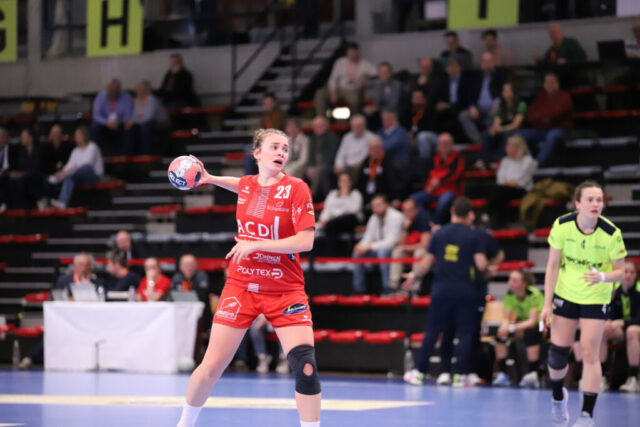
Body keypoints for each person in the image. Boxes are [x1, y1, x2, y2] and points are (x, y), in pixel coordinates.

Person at [176, 128, 321, 427]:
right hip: (241, 286)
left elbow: (306, 241)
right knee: (212, 366)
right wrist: (210, 178)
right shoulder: (248, 186)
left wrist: (256, 244)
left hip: (285, 289)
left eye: (285, 148)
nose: (281, 152)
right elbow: (241, 184)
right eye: (275, 147)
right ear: (257, 153)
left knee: (305, 365)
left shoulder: (297, 188)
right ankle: (185, 424)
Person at [539, 180, 626, 427]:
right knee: (558, 354)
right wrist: (547, 304)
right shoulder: (562, 226)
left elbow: (621, 272)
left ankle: (586, 415)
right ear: (577, 203)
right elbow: (552, 266)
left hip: (596, 297)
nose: (596, 204)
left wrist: (602, 277)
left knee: (589, 353)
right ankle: (558, 396)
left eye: (599, 199)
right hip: (566, 294)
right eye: (590, 199)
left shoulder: (611, 233)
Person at [402, 197, 488, 387]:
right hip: (466, 291)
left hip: (442, 290)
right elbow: (481, 264)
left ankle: (420, 372)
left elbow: (426, 262)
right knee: (465, 334)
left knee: (432, 332)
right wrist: (489, 270)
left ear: (452, 211)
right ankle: (461, 375)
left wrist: (414, 276)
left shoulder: (439, 234)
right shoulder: (474, 236)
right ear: (469, 214)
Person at [492, 269, 545, 388]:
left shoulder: (534, 294)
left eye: (515, 280)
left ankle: (533, 374)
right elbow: (506, 317)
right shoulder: (510, 294)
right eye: (510, 279)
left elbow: (532, 322)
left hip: (542, 325)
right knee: (500, 335)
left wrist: (510, 328)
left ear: (524, 283)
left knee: (531, 333)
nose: (510, 283)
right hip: (522, 324)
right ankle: (503, 374)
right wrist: (504, 327)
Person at [352, 194, 404, 294]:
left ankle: (387, 289)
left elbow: (391, 242)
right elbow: (368, 237)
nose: (376, 208)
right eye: (374, 206)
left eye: (379, 205)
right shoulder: (374, 218)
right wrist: (360, 246)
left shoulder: (396, 216)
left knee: (383, 253)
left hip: (394, 249)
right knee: (357, 253)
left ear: (386, 205)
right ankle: (359, 290)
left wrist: (369, 246)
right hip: (377, 248)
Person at [517, 72, 572, 167]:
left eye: (552, 82)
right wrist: (544, 116)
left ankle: (536, 164)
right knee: (519, 135)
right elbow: (531, 115)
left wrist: (541, 116)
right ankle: (522, 163)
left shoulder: (564, 96)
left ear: (557, 84)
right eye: (547, 82)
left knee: (552, 136)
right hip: (540, 129)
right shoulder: (541, 96)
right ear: (544, 84)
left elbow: (557, 114)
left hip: (558, 129)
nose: (549, 85)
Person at [410, 133, 464, 225]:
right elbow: (428, 175)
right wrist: (429, 187)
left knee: (444, 200)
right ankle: (428, 223)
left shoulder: (458, 157)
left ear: (452, 145)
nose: (444, 146)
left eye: (446, 143)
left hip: (450, 190)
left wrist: (439, 181)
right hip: (434, 191)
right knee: (414, 199)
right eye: (441, 144)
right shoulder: (435, 158)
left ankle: (435, 223)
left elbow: (455, 175)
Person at [484, 135, 537, 229]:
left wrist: (510, 182)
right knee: (499, 192)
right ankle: (498, 223)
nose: (506, 148)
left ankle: (487, 215)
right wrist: (510, 182)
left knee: (500, 192)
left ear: (518, 148)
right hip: (505, 189)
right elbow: (500, 179)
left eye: (509, 146)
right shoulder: (505, 160)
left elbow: (522, 181)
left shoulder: (528, 161)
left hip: (522, 190)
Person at [313, 42, 376, 117]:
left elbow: (376, 73)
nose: (351, 54)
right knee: (320, 93)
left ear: (357, 52)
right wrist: (333, 92)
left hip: (352, 90)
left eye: (353, 52)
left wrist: (365, 78)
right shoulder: (340, 62)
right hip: (339, 89)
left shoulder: (365, 64)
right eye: (349, 52)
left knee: (354, 99)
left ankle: (354, 119)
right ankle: (321, 119)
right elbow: (333, 78)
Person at [49, 126, 104, 210]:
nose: (76, 138)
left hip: (94, 176)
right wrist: (60, 174)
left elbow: (87, 164)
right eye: (76, 136)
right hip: (77, 176)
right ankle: (62, 201)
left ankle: (62, 200)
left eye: (78, 136)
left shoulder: (92, 146)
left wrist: (69, 172)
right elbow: (69, 166)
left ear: (84, 136)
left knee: (85, 168)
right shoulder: (76, 151)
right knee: (66, 176)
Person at [458, 52, 505, 146]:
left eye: (489, 61)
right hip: (478, 109)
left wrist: (497, 102)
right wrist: (472, 106)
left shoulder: (500, 75)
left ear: (493, 62)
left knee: (494, 117)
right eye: (485, 61)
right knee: (463, 115)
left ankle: (489, 142)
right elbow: (470, 93)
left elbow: (504, 90)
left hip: (493, 108)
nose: (487, 64)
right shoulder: (476, 76)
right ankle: (479, 141)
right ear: (481, 63)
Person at [477, 82, 528, 169]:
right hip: (504, 128)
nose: (506, 93)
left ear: (513, 92)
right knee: (489, 134)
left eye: (508, 90)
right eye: (504, 90)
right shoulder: (501, 105)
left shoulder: (521, 104)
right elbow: (496, 122)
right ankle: (483, 160)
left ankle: (498, 160)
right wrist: (494, 129)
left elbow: (516, 124)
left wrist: (502, 129)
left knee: (506, 135)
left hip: (518, 129)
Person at [610, 259, 640, 392]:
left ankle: (633, 379)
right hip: (622, 330)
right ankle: (601, 377)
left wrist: (623, 322)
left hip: (635, 328)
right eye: (626, 271)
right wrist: (610, 322)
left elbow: (638, 319)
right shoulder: (615, 292)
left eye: (632, 272)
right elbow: (611, 316)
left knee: (631, 331)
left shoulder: (639, 292)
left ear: (636, 275)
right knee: (604, 329)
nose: (628, 275)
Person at [389, 198, 431, 291]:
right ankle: (393, 286)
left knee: (419, 252)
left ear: (416, 210)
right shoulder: (404, 221)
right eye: (405, 210)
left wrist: (406, 248)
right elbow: (401, 244)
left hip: (424, 253)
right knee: (397, 252)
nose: (407, 213)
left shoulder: (423, 219)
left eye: (410, 210)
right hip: (410, 251)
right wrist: (404, 229)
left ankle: (415, 288)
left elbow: (425, 244)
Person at [317, 172, 363, 254]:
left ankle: (332, 255)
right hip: (334, 221)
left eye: (346, 181)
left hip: (351, 220)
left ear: (350, 182)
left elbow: (353, 210)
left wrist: (345, 194)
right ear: (338, 183)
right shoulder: (332, 194)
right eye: (342, 180)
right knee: (326, 226)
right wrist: (323, 219)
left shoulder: (356, 194)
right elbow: (327, 209)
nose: (344, 183)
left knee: (331, 225)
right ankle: (328, 254)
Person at [124, 80, 168, 155]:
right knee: (129, 128)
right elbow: (134, 116)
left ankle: (145, 153)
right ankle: (129, 154)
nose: (136, 92)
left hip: (159, 123)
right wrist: (131, 122)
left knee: (144, 127)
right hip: (144, 123)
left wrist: (134, 122)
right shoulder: (138, 101)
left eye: (138, 89)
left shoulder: (151, 99)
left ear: (144, 90)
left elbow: (149, 117)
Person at [90, 78, 133, 153]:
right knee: (94, 125)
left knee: (129, 127)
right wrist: (107, 122)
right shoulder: (101, 96)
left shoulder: (126, 97)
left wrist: (119, 122)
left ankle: (125, 156)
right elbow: (96, 115)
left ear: (118, 91)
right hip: (105, 124)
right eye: (108, 90)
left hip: (119, 124)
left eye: (112, 91)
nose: (109, 93)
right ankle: (95, 152)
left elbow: (127, 116)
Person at [5, 128, 43, 209]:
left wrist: (21, 174)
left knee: (25, 179)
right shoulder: (22, 152)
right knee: (12, 180)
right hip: (24, 176)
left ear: (31, 138)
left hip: (36, 175)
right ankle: (14, 207)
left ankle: (36, 202)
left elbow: (36, 168)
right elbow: (20, 167)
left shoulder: (39, 151)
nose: (21, 139)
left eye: (24, 137)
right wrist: (16, 173)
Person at [171, 254, 214, 326]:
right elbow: (172, 296)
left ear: (196, 265)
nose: (189, 268)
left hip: (202, 317)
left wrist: (183, 296)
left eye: (191, 265)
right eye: (186, 265)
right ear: (180, 267)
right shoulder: (177, 278)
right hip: (181, 315)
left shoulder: (201, 276)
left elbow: (202, 296)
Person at [355, 136, 395, 209]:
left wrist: (393, 198)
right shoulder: (366, 161)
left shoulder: (387, 161)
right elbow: (359, 182)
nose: (374, 150)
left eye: (376, 147)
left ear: (381, 148)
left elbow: (392, 182)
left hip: (383, 198)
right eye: (371, 148)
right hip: (366, 199)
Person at [306, 116, 339, 200]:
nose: (318, 128)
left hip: (329, 165)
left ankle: (316, 195)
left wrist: (319, 163)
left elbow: (332, 155)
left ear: (325, 126)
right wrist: (310, 166)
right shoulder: (312, 138)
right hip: (316, 165)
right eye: (316, 126)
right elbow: (310, 155)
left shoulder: (332, 137)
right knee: (308, 170)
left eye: (320, 126)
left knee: (321, 170)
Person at [333, 114, 375, 180]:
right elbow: (341, 154)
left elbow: (366, 156)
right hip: (345, 166)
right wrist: (339, 165)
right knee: (326, 171)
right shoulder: (347, 137)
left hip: (360, 166)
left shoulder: (371, 137)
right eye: (354, 126)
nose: (356, 128)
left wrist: (351, 166)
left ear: (364, 126)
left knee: (350, 171)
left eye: (359, 126)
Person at [365, 62, 403, 130]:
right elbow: (369, 101)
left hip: (393, 113)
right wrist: (368, 108)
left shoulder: (397, 85)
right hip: (377, 116)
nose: (384, 75)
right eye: (381, 72)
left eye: (386, 72)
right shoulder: (373, 85)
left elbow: (394, 104)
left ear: (390, 73)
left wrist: (377, 108)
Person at [409, 89, 438, 160]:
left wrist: (414, 136)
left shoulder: (430, 110)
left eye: (418, 98)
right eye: (414, 98)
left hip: (433, 136)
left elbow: (429, 127)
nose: (416, 101)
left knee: (422, 137)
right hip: (416, 136)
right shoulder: (409, 111)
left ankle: (424, 162)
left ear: (424, 100)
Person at [0, 127, 20, 212]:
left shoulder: (14, 149)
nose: (0, 140)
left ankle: (4, 203)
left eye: (2, 137)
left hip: (10, 172)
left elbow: (17, 163)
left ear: (6, 138)